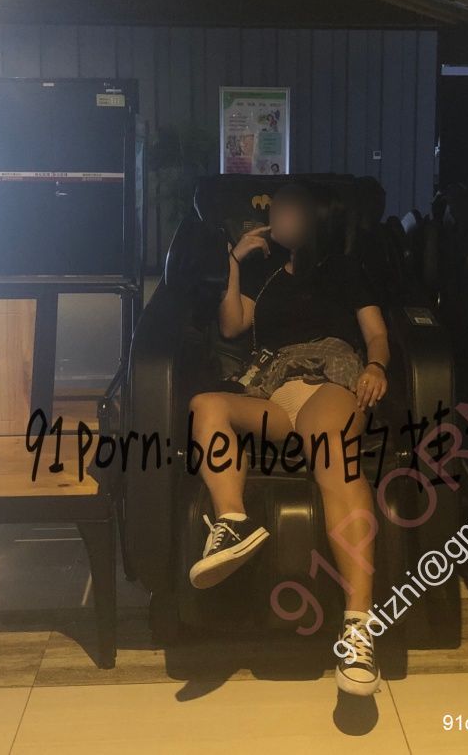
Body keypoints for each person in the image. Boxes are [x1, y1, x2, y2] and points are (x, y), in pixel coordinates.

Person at [187, 181, 390, 696]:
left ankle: (358, 629)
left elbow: (376, 332)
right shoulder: (265, 271)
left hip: (328, 380)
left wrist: (376, 366)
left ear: (314, 218)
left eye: (287, 210)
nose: (276, 216)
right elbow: (232, 326)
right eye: (275, 210)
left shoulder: (344, 268)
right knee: (207, 405)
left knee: (333, 460)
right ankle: (233, 522)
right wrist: (235, 261)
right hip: (275, 388)